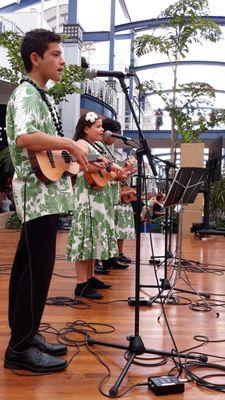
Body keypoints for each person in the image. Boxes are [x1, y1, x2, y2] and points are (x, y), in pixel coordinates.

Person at [4, 29, 87, 374]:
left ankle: (26, 334)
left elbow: (46, 152)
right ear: (35, 58)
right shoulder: (25, 94)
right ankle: (19, 348)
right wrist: (69, 144)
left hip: (46, 195)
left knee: (29, 270)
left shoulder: (42, 96)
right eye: (55, 54)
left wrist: (71, 161)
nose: (62, 60)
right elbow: (25, 137)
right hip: (35, 198)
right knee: (35, 271)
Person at [67, 112, 119, 299]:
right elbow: (79, 163)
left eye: (101, 126)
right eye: (97, 126)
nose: (102, 129)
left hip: (98, 196)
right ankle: (81, 283)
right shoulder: (82, 143)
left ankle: (90, 277)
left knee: (93, 236)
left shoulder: (98, 144)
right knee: (86, 237)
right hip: (87, 197)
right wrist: (98, 166)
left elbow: (104, 167)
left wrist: (114, 168)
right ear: (86, 129)